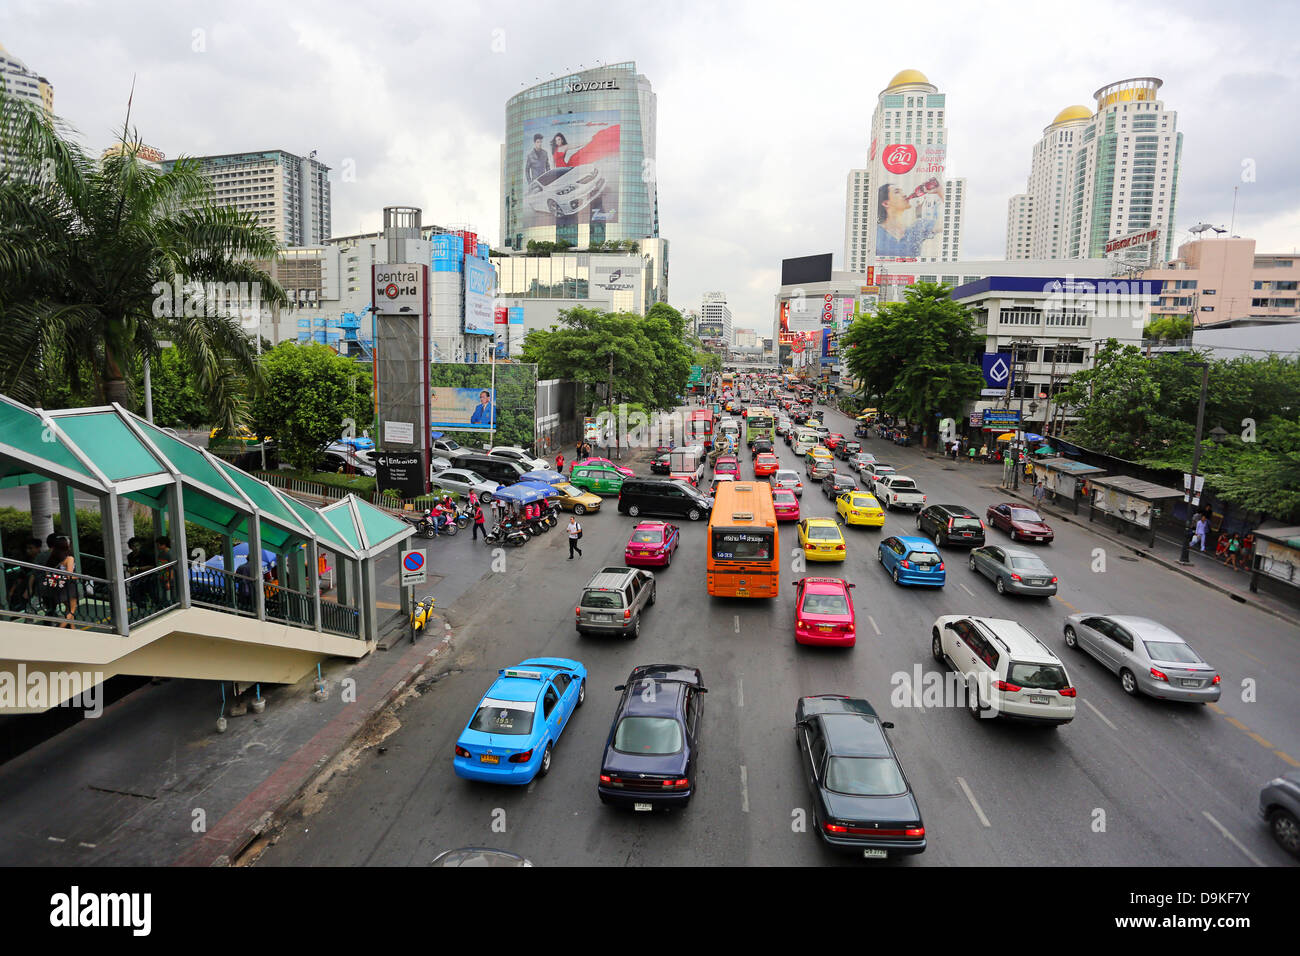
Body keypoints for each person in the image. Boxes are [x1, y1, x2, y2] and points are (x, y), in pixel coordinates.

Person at [875, 181, 944, 258]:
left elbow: (949, 224)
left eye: (902, 191)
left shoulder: (917, 229)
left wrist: (940, 191)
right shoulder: (875, 232)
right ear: (886, 203)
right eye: (897, 192)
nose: (904, 195)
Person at [41, 536, 77, 627]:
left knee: (68, 608)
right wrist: (80, 577)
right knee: (72, 609)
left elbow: (46, 572)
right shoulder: (69, 558)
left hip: (57, 587)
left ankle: (73, 628)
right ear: (66, 546)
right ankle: (60, 628)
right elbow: (69, 575)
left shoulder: (53, 557)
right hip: (69, 587)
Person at [6, 537, 42, 610]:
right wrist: (11, 591)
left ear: (38, 548)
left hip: (40, 589)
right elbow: (21, 577)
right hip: (28, 589)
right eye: (27, 548)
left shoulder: (43, 559)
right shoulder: (27, 560)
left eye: (31, 548)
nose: (28, 551)